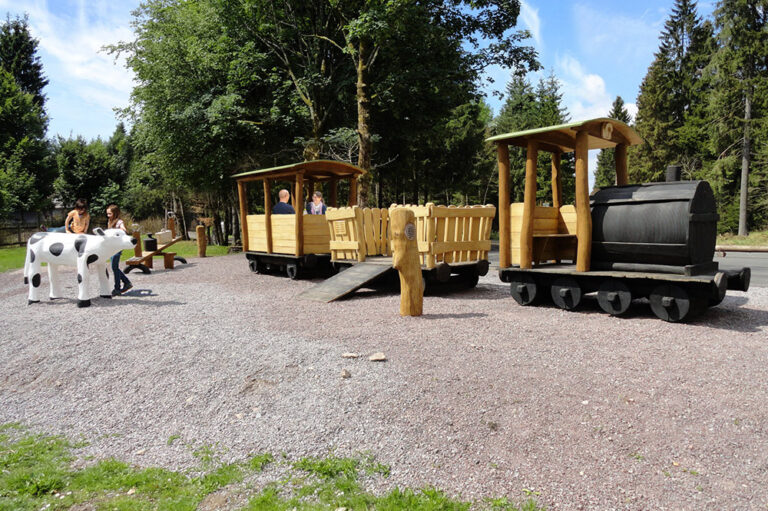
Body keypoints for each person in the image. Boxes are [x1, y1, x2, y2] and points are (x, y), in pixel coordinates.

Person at [106, 204, 133, 296]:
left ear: (115, 213)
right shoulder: (109, 221)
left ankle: (117, 288)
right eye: (107, 214)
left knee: (114, 267)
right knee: (114, 267)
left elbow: (124, 230)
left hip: (117, 248)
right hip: (111, 248)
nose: (108, 215)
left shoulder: (119, 222)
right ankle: (126, 283)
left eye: (110, 214)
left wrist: (121, 230)